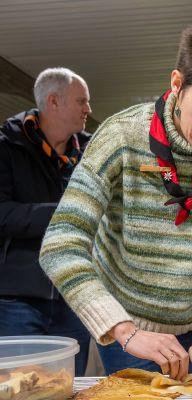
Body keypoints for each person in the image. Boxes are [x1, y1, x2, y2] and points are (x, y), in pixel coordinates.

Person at [39, 18, 192, 380]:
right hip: (132, 332)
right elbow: (61, 245)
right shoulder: (120, 137)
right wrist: (123, 329)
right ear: (177, 83)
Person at [0, 67, 93, 376]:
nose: (88, 109)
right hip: (18, 300)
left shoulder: (92, 151)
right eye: (81, 101)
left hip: (75, 293)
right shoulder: (6, 146)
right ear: (54, 101)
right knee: (19, 386)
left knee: (68, 385)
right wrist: (65, 213)